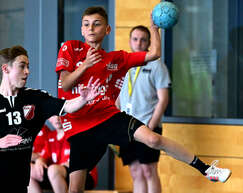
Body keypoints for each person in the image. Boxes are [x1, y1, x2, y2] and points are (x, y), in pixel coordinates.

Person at [55, 6, 231, 193]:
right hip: (80, 126)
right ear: (82, 29)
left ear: (107, 29)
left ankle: (207, 169)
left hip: (107, 117)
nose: (91, 28)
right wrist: (86, 65)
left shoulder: (117, 59)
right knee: (75, 189)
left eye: (97, 24)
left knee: (154, 140)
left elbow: (154, 53)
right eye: (86, 24)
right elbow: (65, 83)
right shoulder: (71, 48)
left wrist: (154, 28)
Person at [0, 45, 100, 193]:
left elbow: (67, 106)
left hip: (20, 176)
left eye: (28, 67)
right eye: (22, 66)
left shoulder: (35, 98)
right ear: (6, 69)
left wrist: (83, 99)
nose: (27, 72)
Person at [115, 25, 171, 193]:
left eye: (143, 40)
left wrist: (151, 125)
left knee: (149, 170)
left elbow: (163, 99)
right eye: (135, 39)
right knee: (135, 171)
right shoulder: (124, 64)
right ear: (130, 41)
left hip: (148, 126)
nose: (139, 43)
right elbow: (117, 96)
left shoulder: (156, 65)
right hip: (127, 127)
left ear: (148, 43)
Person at [29, 116, 97, 193]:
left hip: (82, 175)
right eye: (53, 115)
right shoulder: (51, 136)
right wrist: (40, 161)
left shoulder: (75, 134)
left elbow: (84, 159)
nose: (57, 118)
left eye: (61, 114)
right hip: (56, 174)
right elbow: (44, 156)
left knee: (53, 170)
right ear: (49, 119)